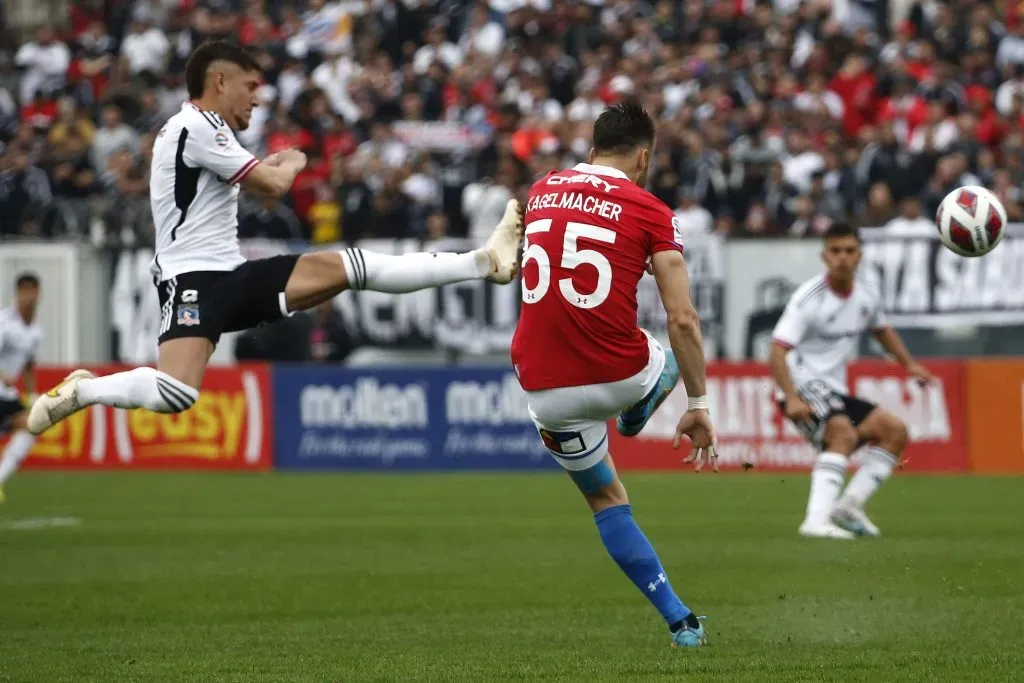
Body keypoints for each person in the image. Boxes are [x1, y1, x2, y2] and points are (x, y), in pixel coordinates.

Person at [27, 41, 522, 434]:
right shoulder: (193, 127)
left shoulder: (208, 130)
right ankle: (84, 391)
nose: (258, 97)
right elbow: (273, 185)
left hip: (232, 274)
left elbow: (264, 184)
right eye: (250, 86)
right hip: (192, 278)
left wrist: (276, 164)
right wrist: (292, 158)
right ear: (220, 81)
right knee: (177, 394)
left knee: (349, 267)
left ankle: (484, 261)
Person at [509, 102, 718, 649]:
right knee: (669, 351)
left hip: (541, 387)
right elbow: (683, 318)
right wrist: (699, 405)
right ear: (644, 155)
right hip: (620, 371)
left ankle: (680, 621)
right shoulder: (650, 209)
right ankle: (643, 401)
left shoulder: (542, 189)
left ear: (591, 148)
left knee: (606, 500)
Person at [769, 223, 933, 539]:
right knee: (841, 434)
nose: (842, 258)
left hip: (834, 388)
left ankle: (849, 505)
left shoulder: (867, 293)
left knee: (894, 432)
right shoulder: (809, 299)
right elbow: (777, 349)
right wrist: (790, 397)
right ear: (824, 256)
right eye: (835, 251)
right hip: (801, 384)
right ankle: (816, 522)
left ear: (860, 255)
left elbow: (881, 329)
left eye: (849, 251)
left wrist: (909, 365)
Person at [0, 274, 44, 502]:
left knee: (33, 426)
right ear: (17, 294)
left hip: (6, 396)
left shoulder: (36, 329)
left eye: (33, 291)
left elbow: (28, 364)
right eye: (24, 292)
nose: (29, 297)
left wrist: (32, 393)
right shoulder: (5, 323)